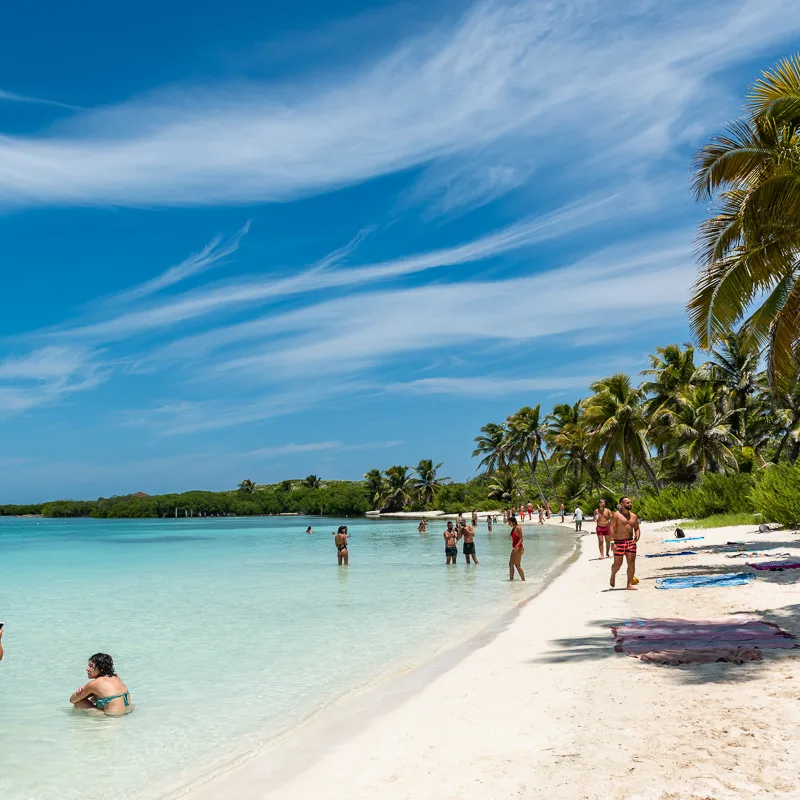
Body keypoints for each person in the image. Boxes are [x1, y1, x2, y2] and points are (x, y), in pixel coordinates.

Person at [609, 497, 640, 590]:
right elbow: (611, 529)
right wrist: (612, 542)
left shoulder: (634, 516)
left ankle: (629, 584)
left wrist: (637, 536)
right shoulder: (616, 515)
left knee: (631, 562)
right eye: (627, 503)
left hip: (630, 541)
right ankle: (613, 575)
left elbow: (637, 528)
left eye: (630, 502)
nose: (630, 504)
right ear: (622, 504)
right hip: (618, 542)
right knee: (618, 564)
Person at [509, 516, 525, 581]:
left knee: (517, 565)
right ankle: (511, 580)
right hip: (514, 548)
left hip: (519, 548)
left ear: (513, 522)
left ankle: (523, 580)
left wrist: (517, 547)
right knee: (510, 564)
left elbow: (521, 539)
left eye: (509, 522)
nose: (508, 524)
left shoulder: (518, 528)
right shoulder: (513, 528)